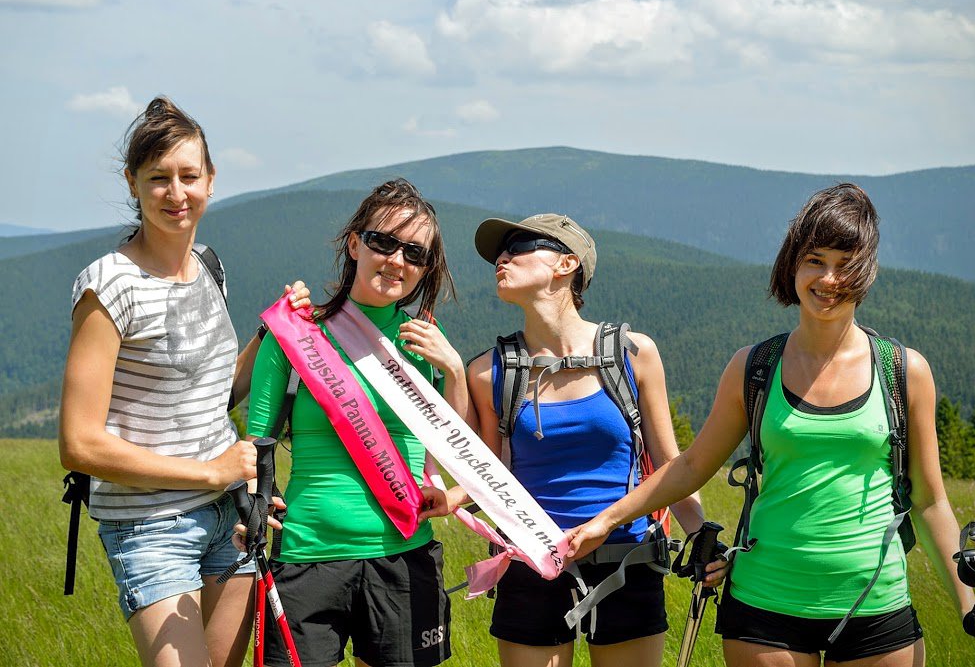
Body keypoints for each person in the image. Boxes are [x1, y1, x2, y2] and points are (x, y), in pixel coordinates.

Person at [568, 183, 975, 667]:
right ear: (792, 266)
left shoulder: (904, 372)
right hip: (764, 606)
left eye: (846, 264)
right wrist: (607, 521)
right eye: (815, 260)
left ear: (867, 272)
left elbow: (929, 502)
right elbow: (693, 464)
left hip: (876, 608)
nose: (829, 278)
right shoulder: (754, 367)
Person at [59, 95, 311, 667]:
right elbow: (78, 443)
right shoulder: (108, 286)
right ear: (133, 183)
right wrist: (212, 471)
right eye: (159, 179)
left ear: (211, 179)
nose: (177, 194)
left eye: (189, 176)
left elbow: (215, 393)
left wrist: (274, 332)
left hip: (230, 513)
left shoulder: (209, 265)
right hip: (150, 527)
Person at [463, 213, 726, 667]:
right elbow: (487, 475)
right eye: (500, 252)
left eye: (520, 246)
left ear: (567, 264)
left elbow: (670, 464)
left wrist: (700, 535)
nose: (502, 258)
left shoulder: (632, 355)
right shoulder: (488, 372)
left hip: (628, 561)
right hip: (531, 566)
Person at [243, 178, 467, 667]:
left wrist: (453, 371)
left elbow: (456, 449)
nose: (396, 261)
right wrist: (254, 504)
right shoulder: (298, 333)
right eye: (382, 242)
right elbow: (256, 440)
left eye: (414, 252)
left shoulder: (425, 340)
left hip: (405, 555)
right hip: (307, 554)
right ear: (353, 243)